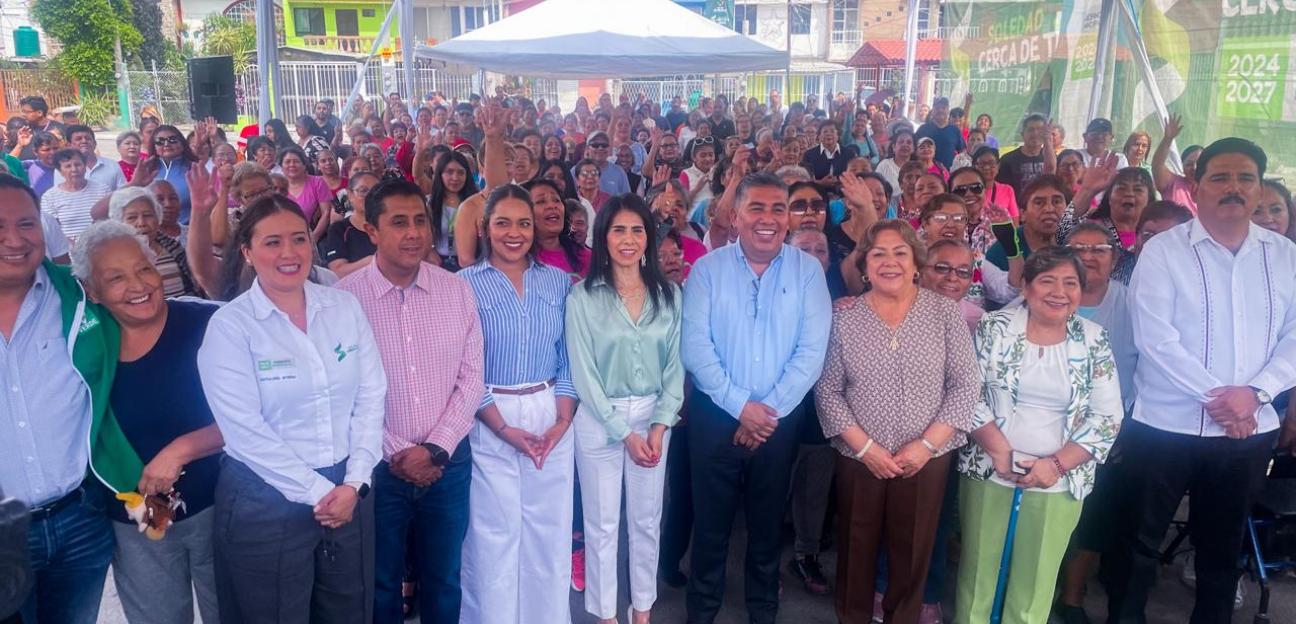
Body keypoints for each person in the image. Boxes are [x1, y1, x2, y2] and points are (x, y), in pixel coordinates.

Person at [1106, 138, 1296, 623]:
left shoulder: (1284, 255)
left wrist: (1253, 395)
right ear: (1197, 186)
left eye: (1245, 179)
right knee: (1139, 544)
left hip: (1248, 431)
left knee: (1222, 546)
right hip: (1166, 426)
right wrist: (1224, 400)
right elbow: (1156, 339)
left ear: (1259, 187)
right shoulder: (1164, 252)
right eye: (1220, 178)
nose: (1233, 188)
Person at [196, 195, 385, 624]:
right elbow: (244, 430)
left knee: (348, 611)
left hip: (348, 491)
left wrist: (355, 482)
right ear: (246, 251)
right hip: (265, 498)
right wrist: (321, 494)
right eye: (272, 242)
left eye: (299, 239)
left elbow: (372, 395)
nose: (289, 253)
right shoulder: (231, 327)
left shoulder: (343, 307)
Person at [681, 172, 832, 623]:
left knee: (766, 528)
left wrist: (767, 414)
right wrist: (741, 408)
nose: (768, 219)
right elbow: (696, 347)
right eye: (757, 208)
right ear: (735, 215)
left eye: (778, 209)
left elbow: (812, 351)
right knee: (710, 527)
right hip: (715, 420)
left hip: (778, 423)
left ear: (788, 217)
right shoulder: (708, 269)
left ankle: (763, 610)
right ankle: (701, 611)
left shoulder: (807, 271)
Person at [334, 179, 484, 624]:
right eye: (398, 223)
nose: (413, 233)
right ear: (371, 231)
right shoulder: (344, 301)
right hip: (376, 466)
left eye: (419, 220)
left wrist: (434, 448)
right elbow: (342, 390)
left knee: (444, 579)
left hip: (448, 463)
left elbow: (473, 377)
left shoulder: (456, 290)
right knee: (380, 582)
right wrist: (395, 453)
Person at [817, 219, 979, 623]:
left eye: (900, 253)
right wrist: (867, 450)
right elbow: (828, 391)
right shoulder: (845, 319)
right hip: (859, 459)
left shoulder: (943, 313)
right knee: (856, 554)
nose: (890, 262)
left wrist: (925, 446)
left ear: (916, 263)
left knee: (912, 558)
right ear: (865, 265)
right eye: (878, 254)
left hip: (926, 459)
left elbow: (965, 384)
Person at [955, 246, 1123, 624]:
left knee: (1035, 584)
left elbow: (1108, 416)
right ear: (1027, 287)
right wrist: (999, 450)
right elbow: (967, 393)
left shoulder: (1094, 339)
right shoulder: (994, 328)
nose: (1058, 292)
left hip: (1058, 480)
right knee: (978, 574)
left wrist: (1056, 465)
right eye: (1047, 281)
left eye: (1070, 283)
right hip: (989, 467)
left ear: (1081, 291)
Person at [70, 220, 223, 624]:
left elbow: (259, 415)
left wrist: (179, 450)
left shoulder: (210, 324)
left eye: (143, 268)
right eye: (115, 278)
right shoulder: (83, 349)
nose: (138, 285)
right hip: (136, 519)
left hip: (220, 507)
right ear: (92, 291)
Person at [458, 184, 579, 624]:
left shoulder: (558, 282)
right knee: (493, 535)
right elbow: (466, 367)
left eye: (523, 223)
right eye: (503, 222)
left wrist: (561, 421)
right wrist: (503, 428)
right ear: (484, 227)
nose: (514, 233)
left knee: (548, 532)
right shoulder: (464, 285)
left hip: (551, 413)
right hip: (490, 415)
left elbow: (569, 356)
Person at [0, 175, 117, 624]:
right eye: (0, 227)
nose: (14, 239)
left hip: (79, 519)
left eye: (26, 224)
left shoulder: (80, 295)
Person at [566, 195, 683, 624]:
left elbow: (674, 367)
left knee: (647, 521)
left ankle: (642, 611)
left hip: (653, 418)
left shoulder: (669, 295)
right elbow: (583, 373)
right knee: (601, 526)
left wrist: (659, 424)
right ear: (603, 237)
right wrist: (624, 432)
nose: (629, 239)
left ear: (649, 238)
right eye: (618, 230)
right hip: (600, 421)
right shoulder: (583, 297)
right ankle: (604, 615)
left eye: (637, 230)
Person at [983, 175, 1070, 306]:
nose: (1049, 209)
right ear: (1023, 213)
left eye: (1057, 201)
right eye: (1039, 202)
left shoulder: (1076, 245)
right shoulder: (1001, 251)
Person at [106, 187, 202, 297]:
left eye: (147, 215)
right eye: (132, 217)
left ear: (158, 219)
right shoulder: (113, 260)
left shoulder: (175, 250)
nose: (141, 223)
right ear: (119, 223)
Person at [41, 148, 111, 242]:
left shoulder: (103, 190)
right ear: (60, 171)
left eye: (78, 165)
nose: (74, 169)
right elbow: (51, 229)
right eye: (68, 166)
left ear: (85, 166)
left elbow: (111, 221)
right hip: (68, 251)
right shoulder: (49, 197)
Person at [428, 151, 481, 271]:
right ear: (440, 174)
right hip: (438, 263)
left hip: (470, 264)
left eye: (461, 172)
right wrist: (429, 250)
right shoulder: (430, 203)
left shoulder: (475, 203)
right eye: (449, 172)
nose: (455, 178)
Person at [321, 172, 380, 277]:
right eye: (363, 191)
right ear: (350, 195)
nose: (371, 196)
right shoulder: (339, 229)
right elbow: (337, 271)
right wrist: (374, 261)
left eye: (376, 191)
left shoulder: (390, 226)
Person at [922, 238, 984, 332]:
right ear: (922, 270)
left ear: (971, 279)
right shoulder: (898, 313)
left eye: (963, 272)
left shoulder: (980, 323)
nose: (952, 278)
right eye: (942, 268)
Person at [1150, 114, 1200, 214]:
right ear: (1182, 166)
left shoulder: (1213, 189)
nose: (1194, 168)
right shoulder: (1173, 183)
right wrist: (1168, 139)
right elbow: (1157, 165)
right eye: (1189, 164)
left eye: (1199, 163)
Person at [54, 125, 126, 191]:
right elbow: (61, 194)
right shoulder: (62, 169)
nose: (84, 141)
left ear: (95, 143)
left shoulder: (112, 165)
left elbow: (122, 194)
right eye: (78, 139)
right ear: (69, 145)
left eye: (88, 138)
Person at [997, 113, 1056, 191]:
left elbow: (1052, 172)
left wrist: (1048, 141)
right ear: (1022, 134)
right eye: (1031, 130)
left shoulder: (1050, 157)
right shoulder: (1007, 160)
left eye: (1040, 130)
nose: (1035, 133)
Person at [151, 125, 197, 224]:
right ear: (154, 146)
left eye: (172, 139)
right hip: (154, 232)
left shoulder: (195, 169)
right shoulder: (147, 170)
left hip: (189, 230)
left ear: (182, 144)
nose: (166, 144)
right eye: (160, 141)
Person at [916, 96, 967, 170]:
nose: (940, 110)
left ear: (948, 110)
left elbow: (962, 152)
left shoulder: (954, 130)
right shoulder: (923, 129)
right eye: (937, 108)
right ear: (932, 110)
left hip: (949, 175)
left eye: (943, 108)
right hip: (926, 173)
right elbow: (915, 151)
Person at [875, 128, 915, 193]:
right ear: (893, 147)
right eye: (901, 142)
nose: (905, 145)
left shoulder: (917, 168)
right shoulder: (884, 165)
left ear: (913, 149)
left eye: (909, 142)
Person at [24, 131, 59, 198]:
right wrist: (20, 146)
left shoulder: (68, 167)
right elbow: (6, 164)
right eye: (46, 150)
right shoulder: (28, 166)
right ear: (35, 152)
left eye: (55, 148)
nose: (52, 152)